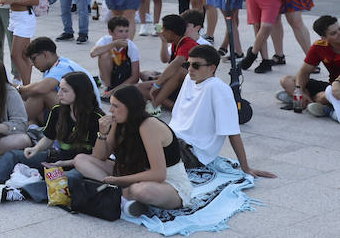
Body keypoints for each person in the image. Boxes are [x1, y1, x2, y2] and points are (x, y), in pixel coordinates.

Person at [0, 71, 101, 202]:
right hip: (57, 158)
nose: (59, 94)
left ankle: (20, 192)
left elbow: (96, 157)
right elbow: (48, 138)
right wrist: (35, 149)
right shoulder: (58, 110)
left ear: (79, 93)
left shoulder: (97, 118)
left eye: (64, 90)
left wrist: (63, 164)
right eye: (60, 89)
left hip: (81, 167)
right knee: (14, 155)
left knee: (69, 179)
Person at [71, 86, 193, 216]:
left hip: (167, 182)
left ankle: (121, 194)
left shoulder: (149, 125)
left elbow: (159, 174)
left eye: (115, 106)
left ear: (130, 107)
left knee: (140, 191)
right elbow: (100, 156)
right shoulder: (119, 122)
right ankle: (120, 195)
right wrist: (102, 133)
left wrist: (120, 180)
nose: (110, 110)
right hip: (134, 172)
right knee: (80, 159)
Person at [171, 45, 275, 177]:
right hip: (173, 138)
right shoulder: (190, 79)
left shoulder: (219, 89)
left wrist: (246, 167)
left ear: (212, 68)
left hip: (192, 152)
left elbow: (233, 132)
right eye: (188, 64)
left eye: (196, 65)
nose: (190, 69)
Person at [281, 15, 340, 116]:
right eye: (334, 33)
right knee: (287, 80)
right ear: (324, 38)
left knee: (324, 96)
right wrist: (300, 91)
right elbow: (304, 72)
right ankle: (311, 102)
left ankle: (321, 105)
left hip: (336, 88)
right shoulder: (319, 47)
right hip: (332, 87)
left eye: (339, 29)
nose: (339, 33)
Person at [90, 16, 142, 100]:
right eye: (120, 31)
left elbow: (135, 77)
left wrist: (115, 91)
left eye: (126, 31)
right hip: (110, 76)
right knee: (104, 54)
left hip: (125, 78)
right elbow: (93, 53)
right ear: (110, 32)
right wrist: (114, 44)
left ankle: (113, 90)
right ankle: (108, 87)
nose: (124, 35)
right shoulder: (105, 40)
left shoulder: (131, 47)